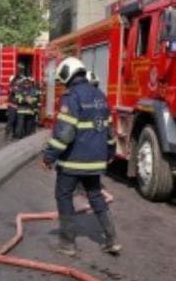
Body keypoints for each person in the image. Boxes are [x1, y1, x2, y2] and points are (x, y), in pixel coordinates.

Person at [42, 57, 120, 257]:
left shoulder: (72, 97)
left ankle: (67, 243)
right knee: (95, 196)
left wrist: (49, 157)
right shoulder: (100, 96)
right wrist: (110, 154)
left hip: (73, 162)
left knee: (64, 196)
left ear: (68, 74)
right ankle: (112, 240)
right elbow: (110, 131)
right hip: (96, 161)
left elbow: (65, 133)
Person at [14, 72, 39, 138]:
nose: (26, 84)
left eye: (28, 83)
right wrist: (26, 100)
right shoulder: (20, 90)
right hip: (21, 110)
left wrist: (31, 100)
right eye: (25, 83)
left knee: (28, 125)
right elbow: (17, 99)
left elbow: (36, 99)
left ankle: (26, 136)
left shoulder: (33, 90)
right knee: (20, 124)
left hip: (29, 111)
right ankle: (20, 136)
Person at [4, 74, 20, 140]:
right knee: (11, 121)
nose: (18, 81)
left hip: (17, 106)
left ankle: (14, 134)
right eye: (17, 80)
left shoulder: (17, 87)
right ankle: (7, 135)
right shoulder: (11, 87)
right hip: (12, 106)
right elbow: (13, 92)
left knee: (16, 121)